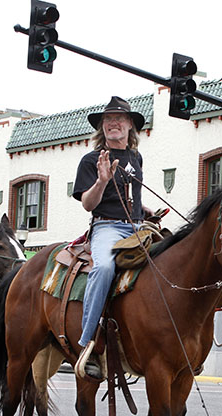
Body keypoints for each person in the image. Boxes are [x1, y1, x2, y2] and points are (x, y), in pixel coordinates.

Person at [72, 96, 145, 379]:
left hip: (138, 227)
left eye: (119, 118)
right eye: (108, 119)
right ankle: (87, 343)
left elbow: (129, 197)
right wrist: (102, 181)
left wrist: (145, 210)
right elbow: (89, 204)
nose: (114, 123)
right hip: (107, 227)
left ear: (130, 125)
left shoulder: (136, 158)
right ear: (103, 127)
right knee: (103, 268)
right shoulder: (91, 160)